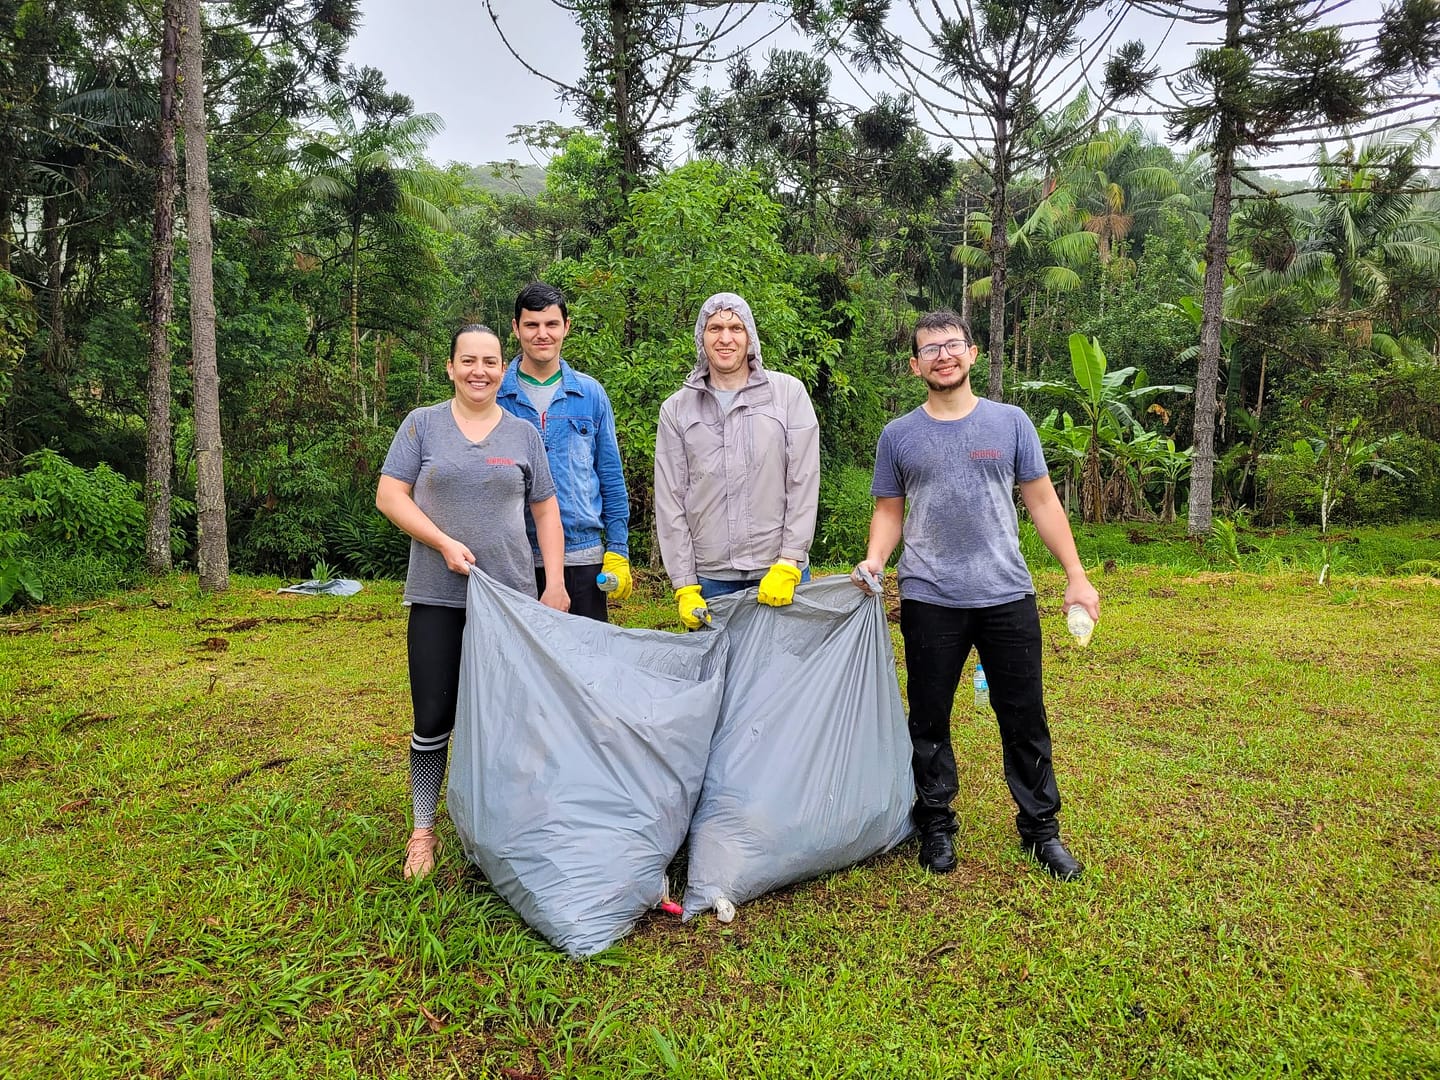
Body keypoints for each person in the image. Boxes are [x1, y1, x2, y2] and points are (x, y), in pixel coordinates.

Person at [852, 310, 1099, 881]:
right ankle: (935, 822)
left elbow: (1041, 502)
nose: (943, 355)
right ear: (915, 366)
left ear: (973, 352)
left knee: (1024, 716)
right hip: (928, 595)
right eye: (930, 349)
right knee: (930, 718)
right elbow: (889, 512)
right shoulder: (899, 436)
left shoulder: (1011, 423)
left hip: (1005, 593)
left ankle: (1042, 831)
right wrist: (875, 558)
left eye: (953, 344)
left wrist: (1076, 575)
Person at [377, 324, 569, 881]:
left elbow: (546, 511)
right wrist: (441, 542)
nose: (479, 371)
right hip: (438, 596)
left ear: (502, 366)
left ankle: (507, 825)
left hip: (509, 601)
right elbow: (390, 495)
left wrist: (552, 582)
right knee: (433, 717)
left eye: (489, 361)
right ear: (451, 366)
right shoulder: (422, 425)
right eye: (468, 361)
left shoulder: (521, 434)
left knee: (512, 717)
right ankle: (423, 829)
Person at [654, 292, 821, 627]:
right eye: (715, 328)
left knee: (787, 677)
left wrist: (790, 560)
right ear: (702, 336)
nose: (725, 338)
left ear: (750, 337)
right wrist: (685, 584)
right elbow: (670, 501)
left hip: (779, 572)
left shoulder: (788, 395)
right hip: (711, 580)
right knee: (719, 677)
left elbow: (803, 481)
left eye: (735, 328)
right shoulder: (677, 409)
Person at [496, 282, 632, 622]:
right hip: (513, 560)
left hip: (583, 558)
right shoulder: (495, 396)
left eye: (551, 324)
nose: (542, 334)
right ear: (516, 328)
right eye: (532, 324)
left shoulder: (590, 394)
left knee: (586, 667)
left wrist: (618, 549)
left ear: (566, 327)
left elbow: (610, 478)